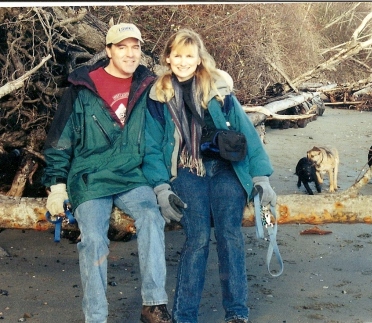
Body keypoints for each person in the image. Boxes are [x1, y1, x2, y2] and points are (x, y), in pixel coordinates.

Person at [41, 23, 174, 323]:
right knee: (94, 240)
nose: (130, 54)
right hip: (89, 177)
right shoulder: (81, 89)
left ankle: (153, 303)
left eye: (136, 47)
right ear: (109, 50)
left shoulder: (150, 86)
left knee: (152, 217)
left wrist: (166, 183)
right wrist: (57, 187)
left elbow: (168, 131)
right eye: (122, 47)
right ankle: (96, 316)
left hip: (131, 175)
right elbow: (60, 141)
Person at [142, 28, 277, 323]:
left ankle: (237, 314)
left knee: (230, 234)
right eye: (177, 55)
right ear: (167, 57)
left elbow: (247, 133)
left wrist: (261, 177)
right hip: (187, 172)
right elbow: (152, 148)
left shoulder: (219, 89)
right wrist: (162, 188)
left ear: (199, 59)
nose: (183, 61)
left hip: (225, 170)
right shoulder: (157, 95)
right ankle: (184, 316)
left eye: (189, 56)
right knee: (198, 237)